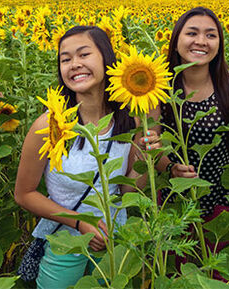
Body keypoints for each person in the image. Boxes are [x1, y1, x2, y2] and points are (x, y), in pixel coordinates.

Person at [14, 26, 141, 289]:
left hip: (116, 244)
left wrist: (146, 158)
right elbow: (24, 194)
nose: (75, 64)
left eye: (84, 54)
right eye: (65, 59)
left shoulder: (130, 119)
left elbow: (127, 189)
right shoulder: (49, 125)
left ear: (106, 58)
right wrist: (80, 222)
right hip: (66, 243)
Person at [142, 6, 229, 218]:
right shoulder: (159, 88)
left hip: (226, 199)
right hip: (177, 199)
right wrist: (171, 168)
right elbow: (151, 145)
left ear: (219, 44)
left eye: (210, 35)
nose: (201, 41)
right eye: (192, 33)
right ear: (176, 42)